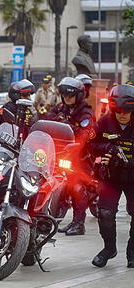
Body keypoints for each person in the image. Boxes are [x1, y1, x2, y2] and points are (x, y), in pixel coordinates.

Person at [88, 84, 134, 268]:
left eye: (127, 111)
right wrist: (106, 148)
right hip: (110, 177)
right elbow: (90, 144)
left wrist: (130, 162)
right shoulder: (104, 122)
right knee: (105, 213)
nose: (122, 114)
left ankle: (132, 252)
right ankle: (109, 248)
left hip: (133, 177)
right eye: (118, 111)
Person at [49, 77, 97, 236]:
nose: (67, 98)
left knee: (77, 187)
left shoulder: (86, 111)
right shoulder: (61, 108)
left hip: (82, 155)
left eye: (70, 95)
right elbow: (47, 120)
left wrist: (66, 125)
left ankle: (79, 223)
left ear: (79, 95)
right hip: (62, 152)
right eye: (65, 95)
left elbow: (85, 134)